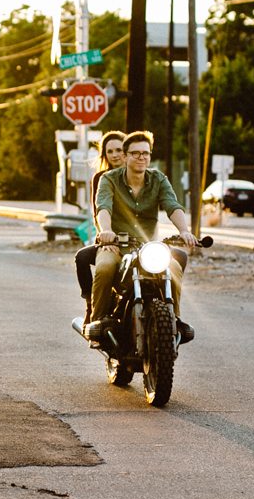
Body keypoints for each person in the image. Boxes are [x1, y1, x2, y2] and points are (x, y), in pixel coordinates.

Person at [85, 130, 199, 346]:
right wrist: (106, 232)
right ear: (126, 156)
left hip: (147, 247)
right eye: (136, 153)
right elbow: (103, 207)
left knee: (172, 267)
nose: (141, 158)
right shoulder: (109, 179)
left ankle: (173, 321)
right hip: (115, 245)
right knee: (105, 267)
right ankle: (97, 323)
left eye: (145, 153)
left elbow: (172, 205)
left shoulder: (158, 179)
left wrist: (184, 230)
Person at [76, 132, 125, 321]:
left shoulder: (138, 176)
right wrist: (105, 235)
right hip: (108, 237)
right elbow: (98, 211)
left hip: (135, 240)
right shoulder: (100, 178)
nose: (114, 155)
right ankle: (90, 304)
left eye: (119, 150)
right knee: (81, 257)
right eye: (109, 151)